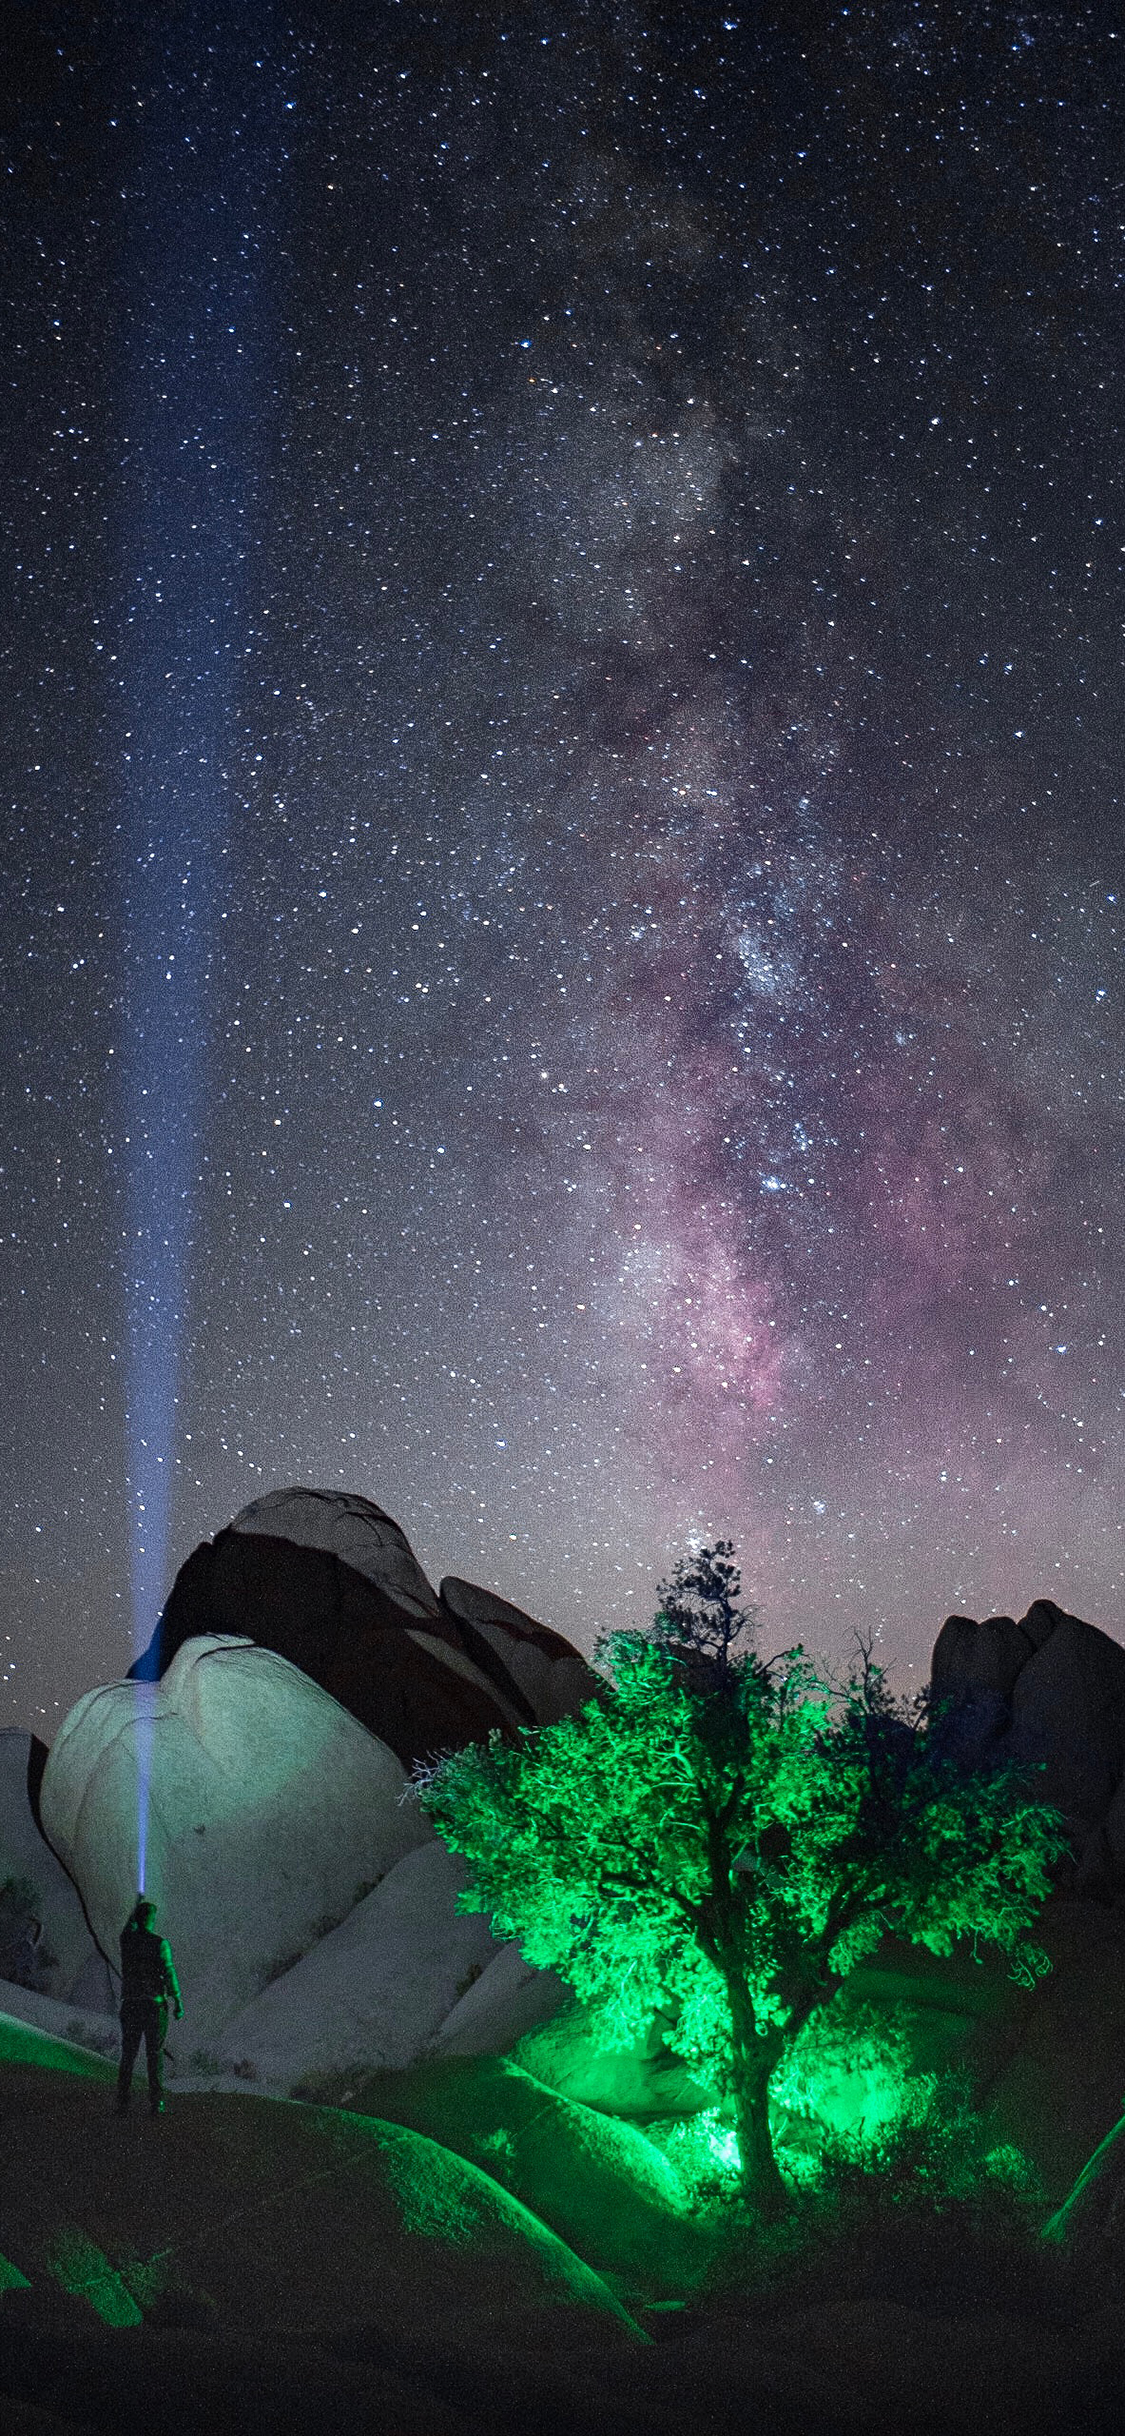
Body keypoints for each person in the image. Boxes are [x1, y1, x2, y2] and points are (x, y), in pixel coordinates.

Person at [115, 1894, 183, 2117]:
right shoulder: (160, 1944)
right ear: (151, 1919)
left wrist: (134, 1906)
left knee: (128, 2054)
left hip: (131, 2005)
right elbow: (169, 1972)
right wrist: (177, 2001)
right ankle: (156, 2102)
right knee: (154, 2055)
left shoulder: (128, 1941)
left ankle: (122, 2102)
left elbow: (126, 1930)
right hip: (154, 2007)